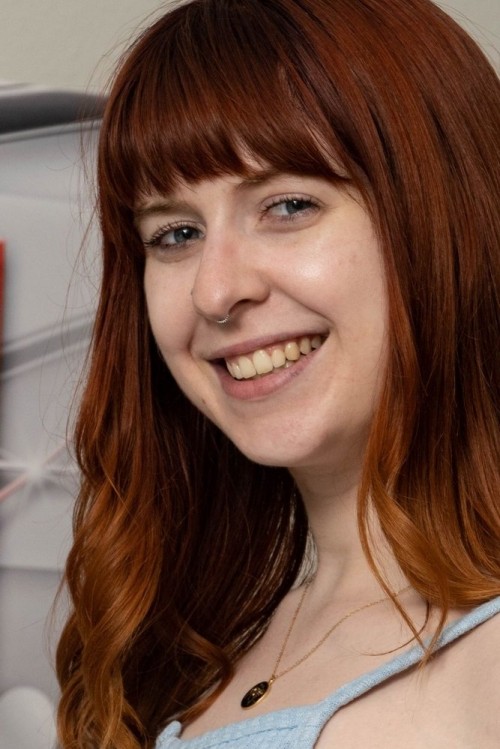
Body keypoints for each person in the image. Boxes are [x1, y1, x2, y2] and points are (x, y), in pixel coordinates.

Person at [56, 0, 500, 746]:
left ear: (446, 216)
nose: (215, 290)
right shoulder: (186, 658)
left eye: (289, 205)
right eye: (176, 233)